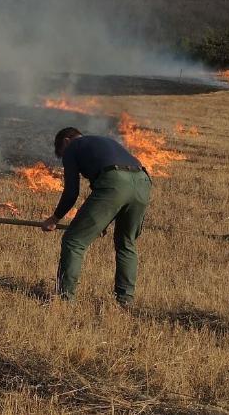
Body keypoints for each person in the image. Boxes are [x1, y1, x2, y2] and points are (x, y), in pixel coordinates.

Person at [41, 127, 151, 306]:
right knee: (126, 243)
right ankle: (125, 300)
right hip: (142, 182)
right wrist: (102, 223)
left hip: (115, 182)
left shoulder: (72, 147)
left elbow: (71, 192)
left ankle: (64, 298)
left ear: (66, 141)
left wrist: (54, 218)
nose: (64, 156)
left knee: (74, 241)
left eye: (61, 152)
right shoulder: (104, 141)